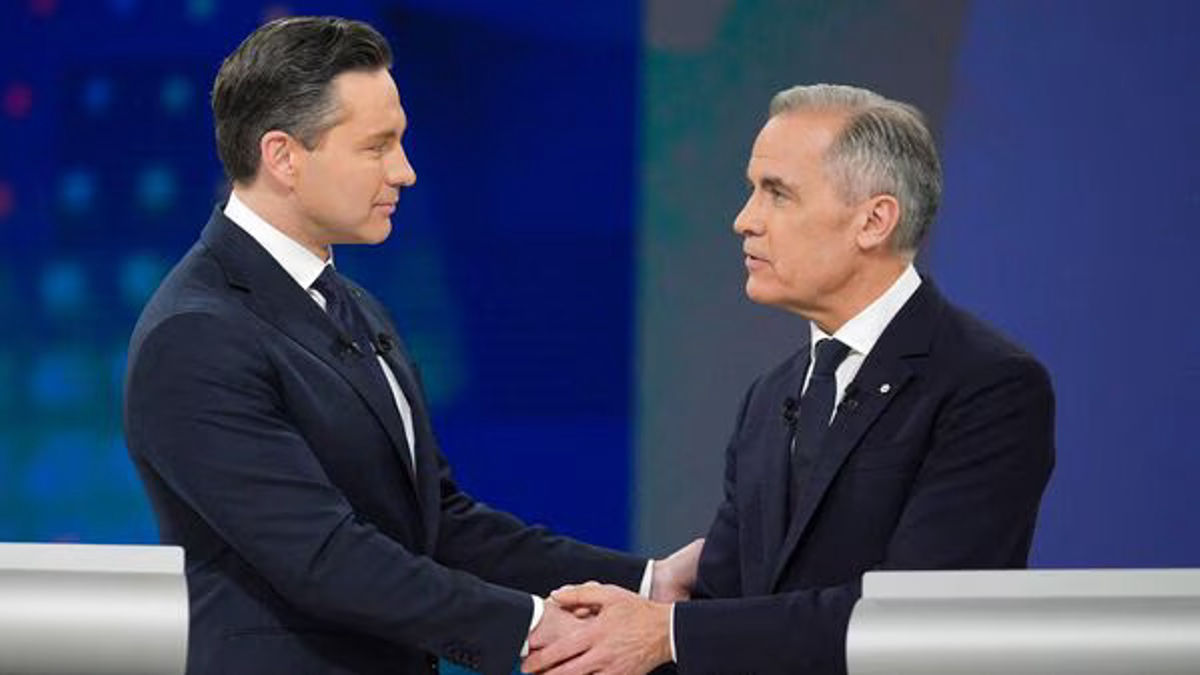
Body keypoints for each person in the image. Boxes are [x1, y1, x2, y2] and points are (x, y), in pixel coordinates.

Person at [123, 16, 701, 675]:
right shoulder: (197, 333)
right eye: (378, 146)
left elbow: (438, 524)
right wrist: (539, 626)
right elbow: (323, 557)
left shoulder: (354, 305)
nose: (406, 171)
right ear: (283, 156)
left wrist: (646, 583)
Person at [522, 84, 1055, 675]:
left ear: (874, 220)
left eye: (776, 194)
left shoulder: (988, 387)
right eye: (753, 191)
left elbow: (919, 616)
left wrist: (668, 632)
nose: (743, 221)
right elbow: (728, 609)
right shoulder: (773, 395)